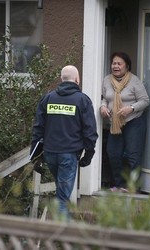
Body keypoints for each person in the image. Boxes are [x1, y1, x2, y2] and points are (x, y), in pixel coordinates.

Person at [30, 65, 98, 219]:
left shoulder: (48, 98)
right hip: (68, 155)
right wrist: (88, 155)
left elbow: (38, 129)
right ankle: (62, 237)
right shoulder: (82, 100)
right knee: (62, 197)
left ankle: (60, 232)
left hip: (50, 154)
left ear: (61, 79)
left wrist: (35, 156)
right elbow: (90, 132)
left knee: (61, 192)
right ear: (77, 79)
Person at [100, 52, 149, 192]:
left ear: (126, 66)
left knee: (133, 155)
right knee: (113, 153)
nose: (115, 66)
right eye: (113, 63)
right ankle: (119, 184)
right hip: (115, 123)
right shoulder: (107, 80)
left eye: (119, 63)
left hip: (134, 121)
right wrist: (102, 106)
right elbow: (105, 97)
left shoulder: (134, 81)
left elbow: (145, 101)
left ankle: (133, 187)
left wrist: (131, 108)